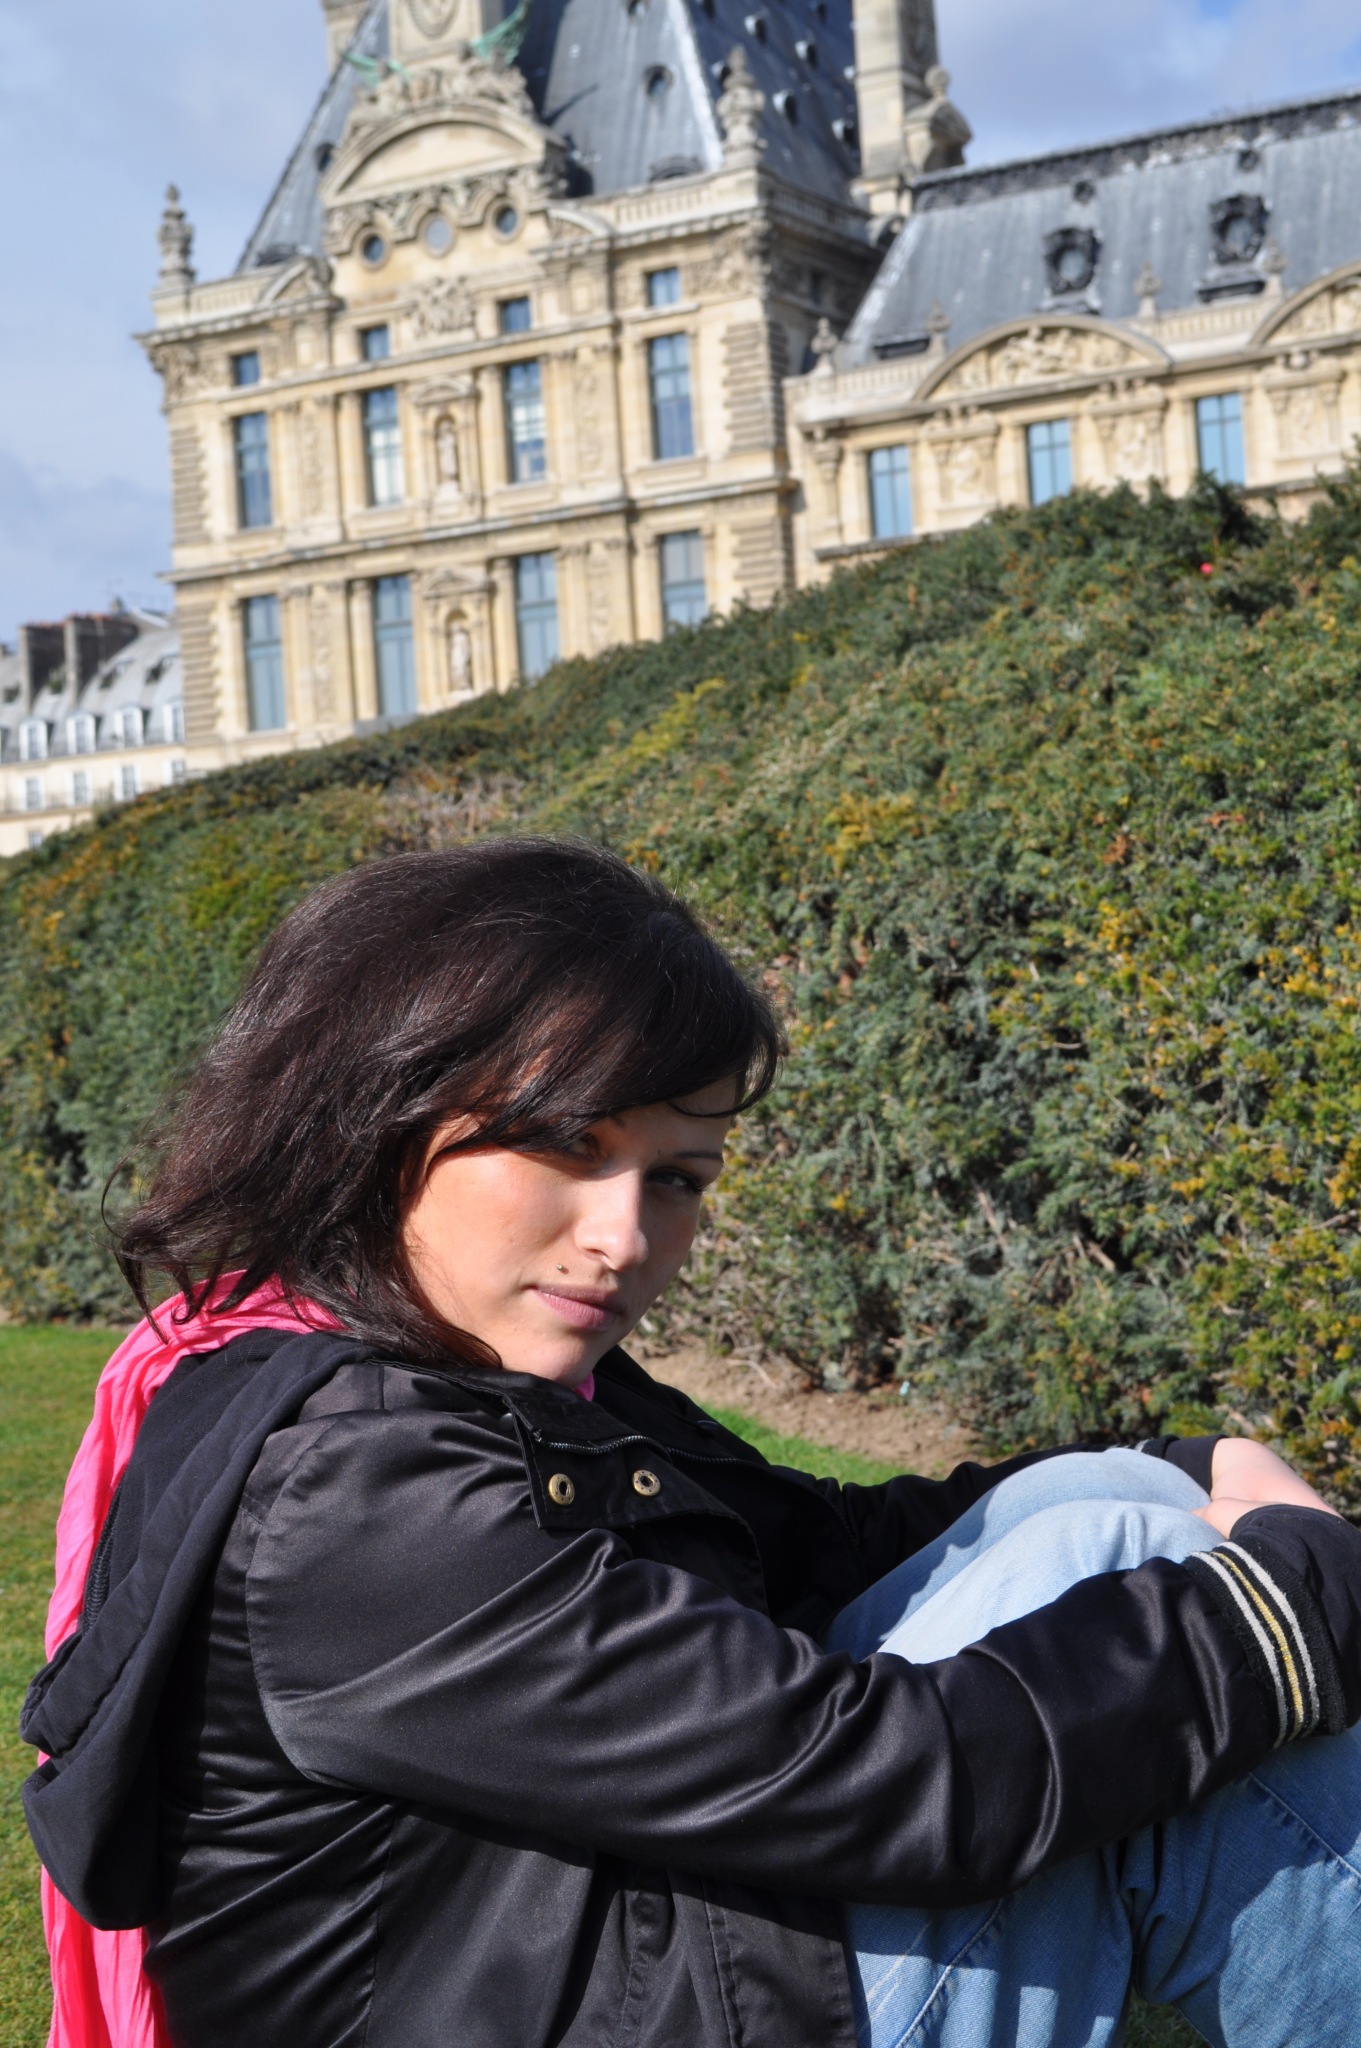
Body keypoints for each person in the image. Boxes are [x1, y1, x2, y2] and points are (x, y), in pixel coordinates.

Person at [22, 839, 1361, 2048]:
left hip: (596, 1964)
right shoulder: (355, 1489)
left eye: (675, 1178)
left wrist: (1190, 1465)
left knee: (1105, 1505)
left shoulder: (471, 1379)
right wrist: (1297, 1603)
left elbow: (816, 1543)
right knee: (1134, 1582)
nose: (623, 1237)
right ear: (377, 1116)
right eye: (569, 1144)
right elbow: (891, 1778)